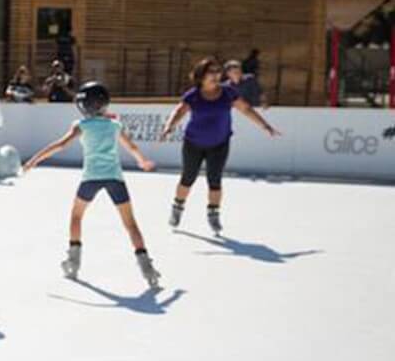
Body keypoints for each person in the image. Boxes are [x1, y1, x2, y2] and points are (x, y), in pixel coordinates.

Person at [23, 82, 162, 289]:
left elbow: (60, 145)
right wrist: (142, 161)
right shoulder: (115, 126)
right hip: (115, 178)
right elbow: (131, 146)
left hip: (91, 178)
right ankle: (147, 267)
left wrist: (35, 160)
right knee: (130, 223)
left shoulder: (81, 126)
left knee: (76, 217)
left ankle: (73, 260)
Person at [159, 56, 280, 234]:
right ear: (201, 76)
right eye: (211, 73)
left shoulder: (228, 93)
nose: (216, 76)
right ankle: (177, 208)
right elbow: (179, 111)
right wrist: (169, 126)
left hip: (219, 144)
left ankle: (213, 215)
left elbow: (246, 109)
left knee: (214, 180)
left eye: (217, 72)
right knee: (188, 178)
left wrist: (265, 125)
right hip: (193, 143)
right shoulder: (193, 95)